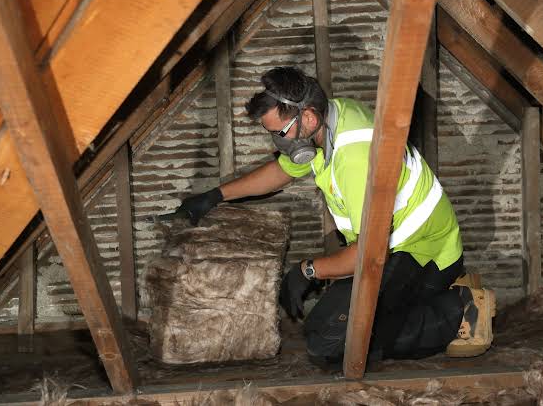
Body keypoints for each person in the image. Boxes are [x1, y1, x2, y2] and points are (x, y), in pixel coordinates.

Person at [176, 66, 495, 366]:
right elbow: (282, 171)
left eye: (280, 132)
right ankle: (422, 302)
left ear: (308, 117)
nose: (278, 142)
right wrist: (215, 196)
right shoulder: (329, 120)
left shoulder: (355, 158)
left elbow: (370, 253)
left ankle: (460, 307)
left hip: (424, 253)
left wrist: (307, 270)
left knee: (334, 344)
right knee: (319, 328)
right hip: (389, 248)